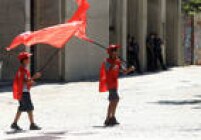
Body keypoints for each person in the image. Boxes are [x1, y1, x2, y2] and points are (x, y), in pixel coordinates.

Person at [99, 44, 135, 126]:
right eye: (114, 51)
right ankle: (109, 118)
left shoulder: (117, 61)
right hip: (110, 83)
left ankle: (111, 117)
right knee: (114, 100)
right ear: (110, 53)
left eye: (116, 50)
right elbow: (109, 69)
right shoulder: (107, 61)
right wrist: (115, 62)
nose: (116, 52)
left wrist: (130, 69)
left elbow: (124, 71)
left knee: (114, 100)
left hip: (115, 83)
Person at [11, 52, 42, 131]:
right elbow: (24, 81)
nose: (29, 60)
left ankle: (14, 124)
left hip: (22, 92)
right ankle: (32, 124)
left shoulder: (23, 70)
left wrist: (31, 81)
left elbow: (25, 81)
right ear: (24, 60)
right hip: (23, 93)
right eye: (27, 59)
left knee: (22, 108)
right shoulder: (22, 70)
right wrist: (34, 77)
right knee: (30, 108)